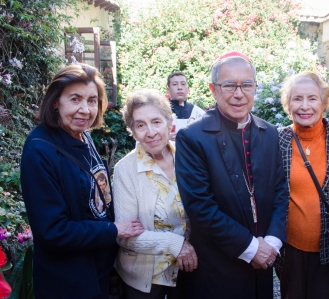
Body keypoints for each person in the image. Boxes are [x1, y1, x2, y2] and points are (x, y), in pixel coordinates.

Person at [20, 64, 144, 299]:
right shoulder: (40, 151)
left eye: (91, 100)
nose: (85, 110)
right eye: (75, 99)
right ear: (56, 101)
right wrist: (113, 230)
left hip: (101, 271)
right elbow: (52, 231)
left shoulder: (82, 135)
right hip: (71, 281)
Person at [175, 51, 289, 299]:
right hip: (219, 265)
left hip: (263, 260)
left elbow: (281, 191)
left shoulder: (269, 133)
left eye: (247, 85)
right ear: (213, 89)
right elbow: (200, 207)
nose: (239, 94)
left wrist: (272, 243)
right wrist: (251, 248)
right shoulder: (193, 138)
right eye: (229, 85)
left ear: (255, 87)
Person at [113, 89, 197, 299]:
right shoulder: (126, 170)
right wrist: (174, 244)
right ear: (132, 131)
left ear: (170, 123)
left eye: (156, 122)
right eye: (140, 125)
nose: (150, 132)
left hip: (189, 269)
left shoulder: (187, 156)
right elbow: (126, 237)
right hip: (145, 279)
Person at [276, 71, 329, 299]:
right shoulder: (279, 140)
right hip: (290, 248)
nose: (305, 106)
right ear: (288, 105)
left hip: (328, 246)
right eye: (297, 99)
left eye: (312, 98)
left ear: (324, 103)